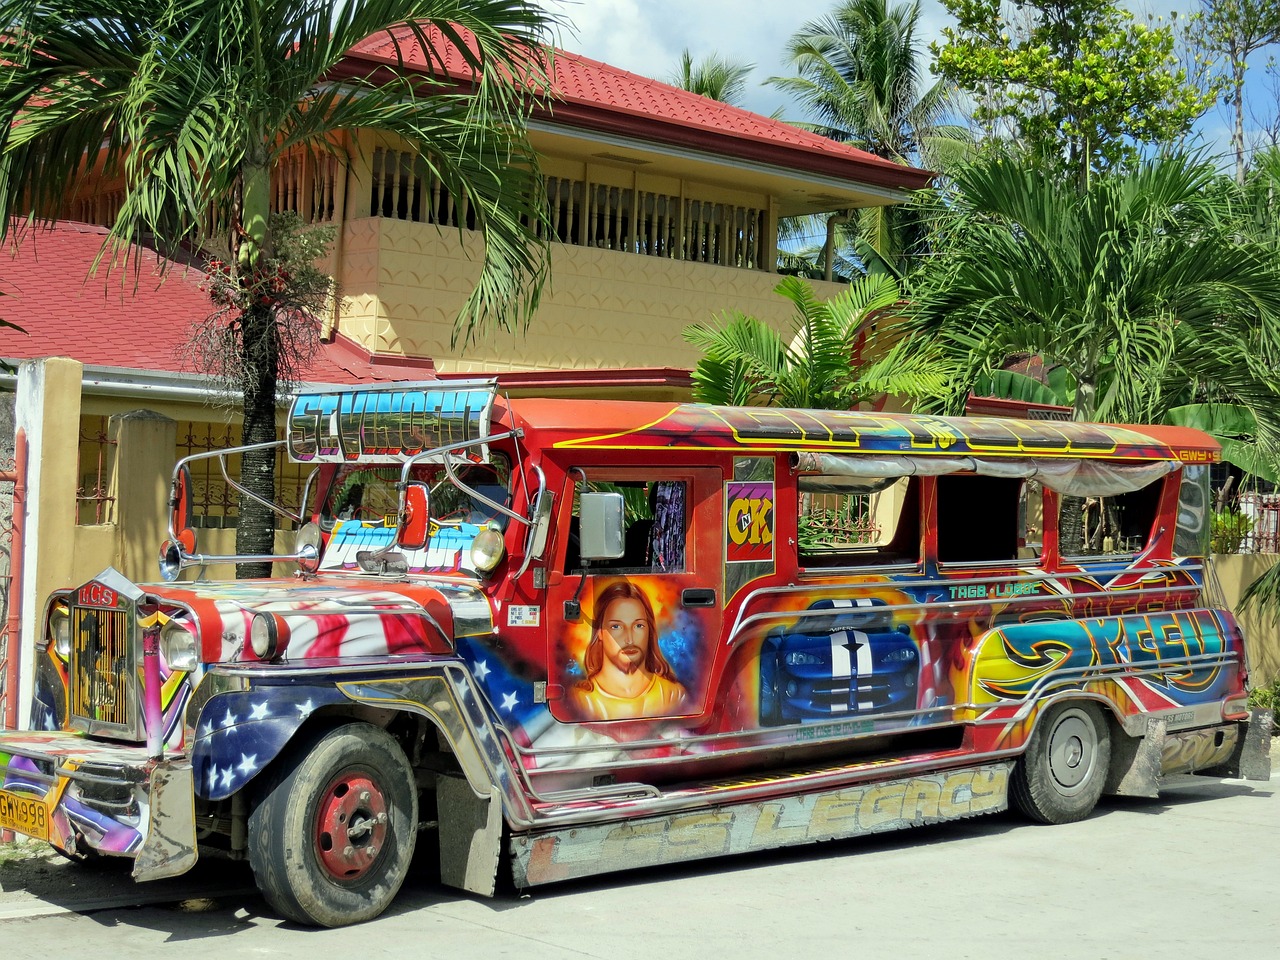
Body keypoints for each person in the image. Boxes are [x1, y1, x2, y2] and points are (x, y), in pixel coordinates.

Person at [570, 579, 687, 721]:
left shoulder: (673, 695)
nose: (629, 639)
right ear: (599, 632)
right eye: (616, 627)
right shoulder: (581, 700)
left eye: (638, 626)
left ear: (650, 630)